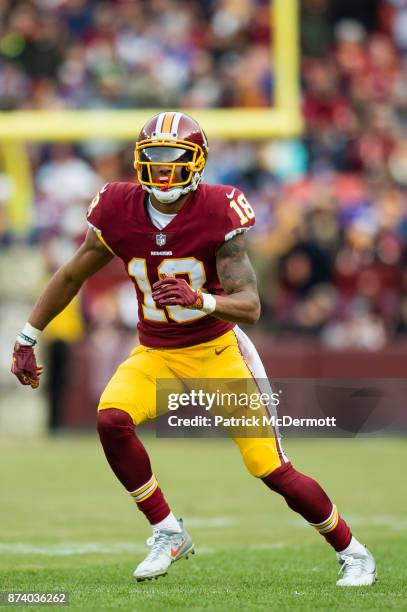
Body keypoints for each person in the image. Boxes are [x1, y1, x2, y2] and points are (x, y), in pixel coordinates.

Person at [11, 111, 376, 586]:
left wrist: (201, 299)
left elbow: (250, 307)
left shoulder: (217, 210)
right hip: (155, 351)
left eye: (174, 160)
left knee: (270, 468)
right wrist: (26, 337)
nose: (163, 172)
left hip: (217, 351)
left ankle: (354, 552)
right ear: (137, 161)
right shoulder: (117, 207)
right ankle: (167, 530)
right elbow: (72, 273)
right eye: (153, 160)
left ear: (197, 162)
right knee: (111, 419)